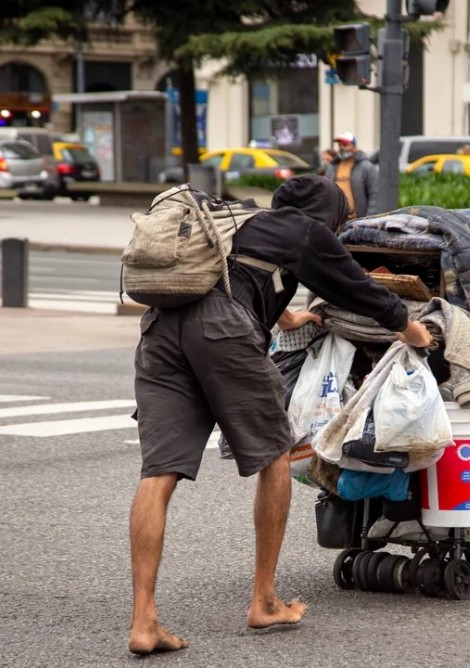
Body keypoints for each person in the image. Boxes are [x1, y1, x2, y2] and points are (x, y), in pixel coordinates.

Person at [127, 174, 431, 655]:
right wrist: (410, 329)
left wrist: (288, 317)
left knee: (158, 473)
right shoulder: (308, 231)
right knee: (275, 457)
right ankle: (264, 600)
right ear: (329, 214)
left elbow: (241, 277)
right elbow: (359, 291)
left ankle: (144, 622)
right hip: (222, 331)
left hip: (161, 331)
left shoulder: (246, 222)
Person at [327, 131, 379, 219]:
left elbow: (375, 195)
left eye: (345, 144)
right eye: (339, 145)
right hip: (338, 221)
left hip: (359, 220)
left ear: (354, 147)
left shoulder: (366, 167)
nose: (341, 147)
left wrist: (369, 218)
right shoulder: (332, 167)